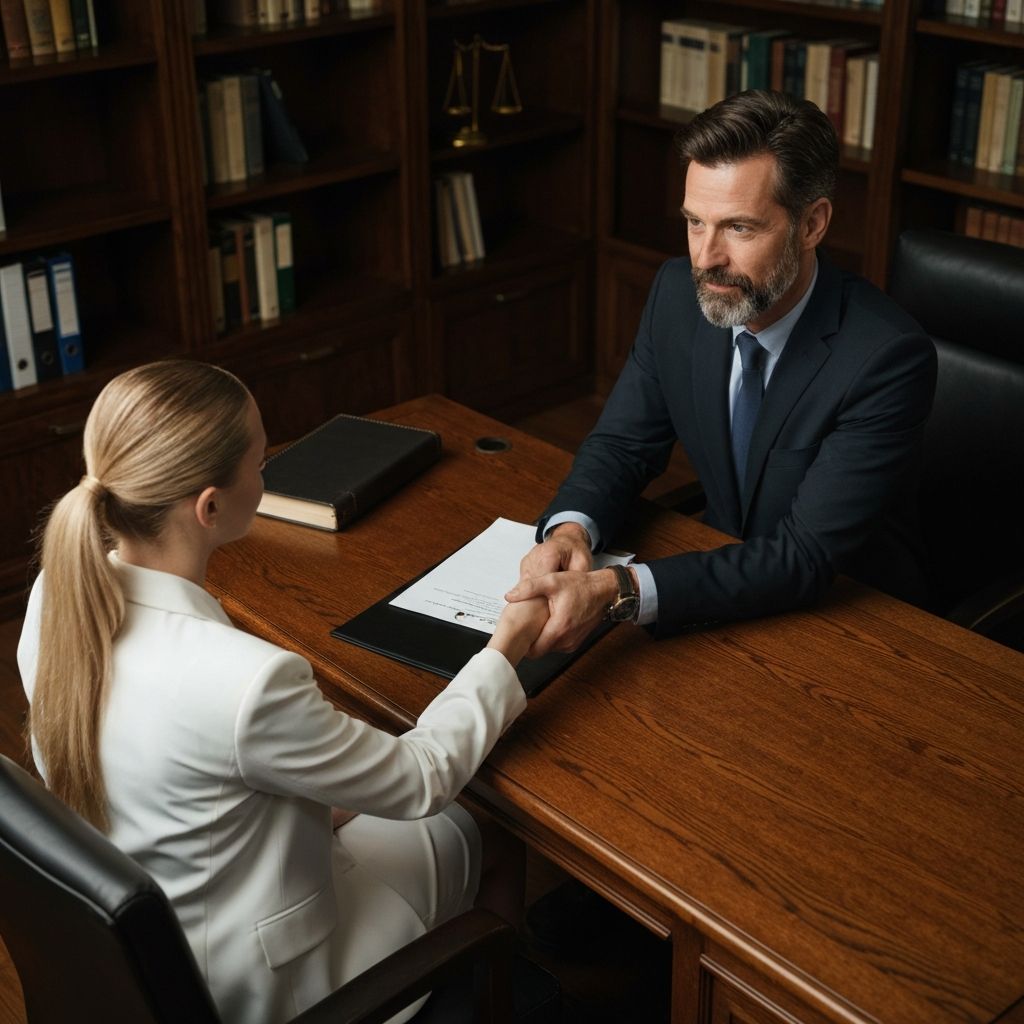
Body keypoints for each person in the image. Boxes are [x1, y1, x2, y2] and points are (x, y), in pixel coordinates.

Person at [17, 360, 548, 1024]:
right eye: (261, 463)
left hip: (159, 942)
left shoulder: (57, 595)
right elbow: (423, 778)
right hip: (268, 988)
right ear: (210, 507)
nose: (267, 476)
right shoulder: (246, 680)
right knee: (484, 827)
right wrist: (506, 646)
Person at [507, 89, 937, 655]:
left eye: (739, 228)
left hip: (856, 623)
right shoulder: (675, 295)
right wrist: (572, 530)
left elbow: (803, 557)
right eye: (694, 222)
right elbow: (623, 444)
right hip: (720, 590)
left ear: (812, 224)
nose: (706, 258)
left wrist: (620, 590)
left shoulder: (885, 358)